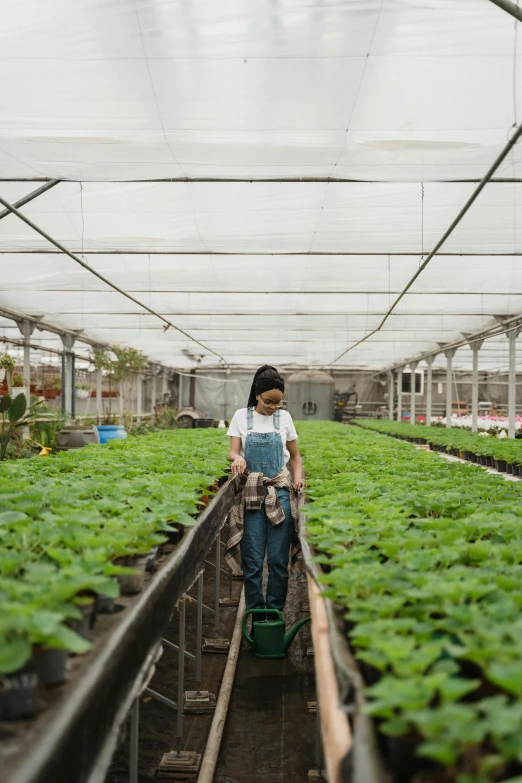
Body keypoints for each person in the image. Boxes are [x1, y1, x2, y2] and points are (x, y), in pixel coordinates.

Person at [225, 366, 304, 617]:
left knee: (278, 561)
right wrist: (237, 458)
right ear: (257, 395)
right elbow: (233, 450)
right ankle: (257, 615)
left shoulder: (285, 418)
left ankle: (276, 614)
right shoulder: (241, 416)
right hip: (252, 492)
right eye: (269, 402)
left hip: (279, 491)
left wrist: (298, 479)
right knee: (253, 559)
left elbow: (295, 456)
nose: (273, 407)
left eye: (277, 402)